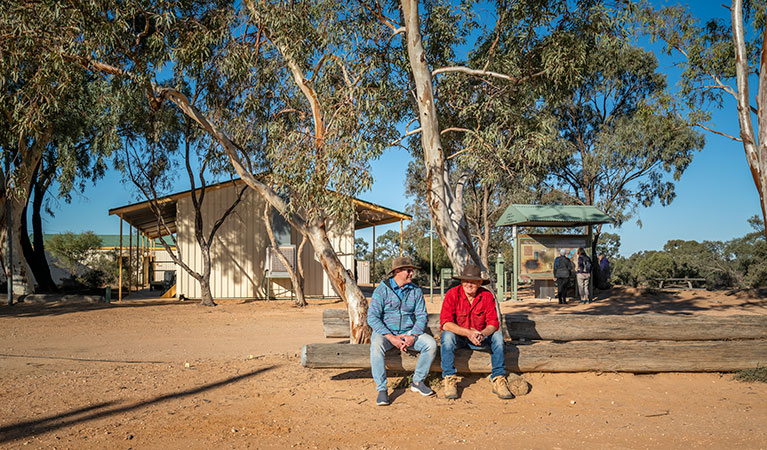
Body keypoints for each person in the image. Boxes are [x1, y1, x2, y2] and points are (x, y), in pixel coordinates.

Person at [367, 256, 437, 406]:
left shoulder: (416, 291)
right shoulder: (382, 290)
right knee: (376, 347)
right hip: (386, 333)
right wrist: (391, 337)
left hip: (408, 332)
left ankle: (417, 382)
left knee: (430, 344)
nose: (412, 273)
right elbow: (372, 317)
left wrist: (413, 336)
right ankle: (382, 389)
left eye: (412, 270)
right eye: (408, 270)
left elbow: (421, 316)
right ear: (397, 271)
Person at [439, 264, 512, 400]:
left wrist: (482, 334)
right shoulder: (452, 294)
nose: (469, 284)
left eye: (473, 281)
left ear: (479, 283)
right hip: (460, 338)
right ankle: (449, 378)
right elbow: (446, 323)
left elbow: (493, 323)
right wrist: (468, 333)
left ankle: (498, 378)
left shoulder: (487, 296)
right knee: (447, 336)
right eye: (466, 281)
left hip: (481, 337)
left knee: (497, 337)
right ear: (461, 281)